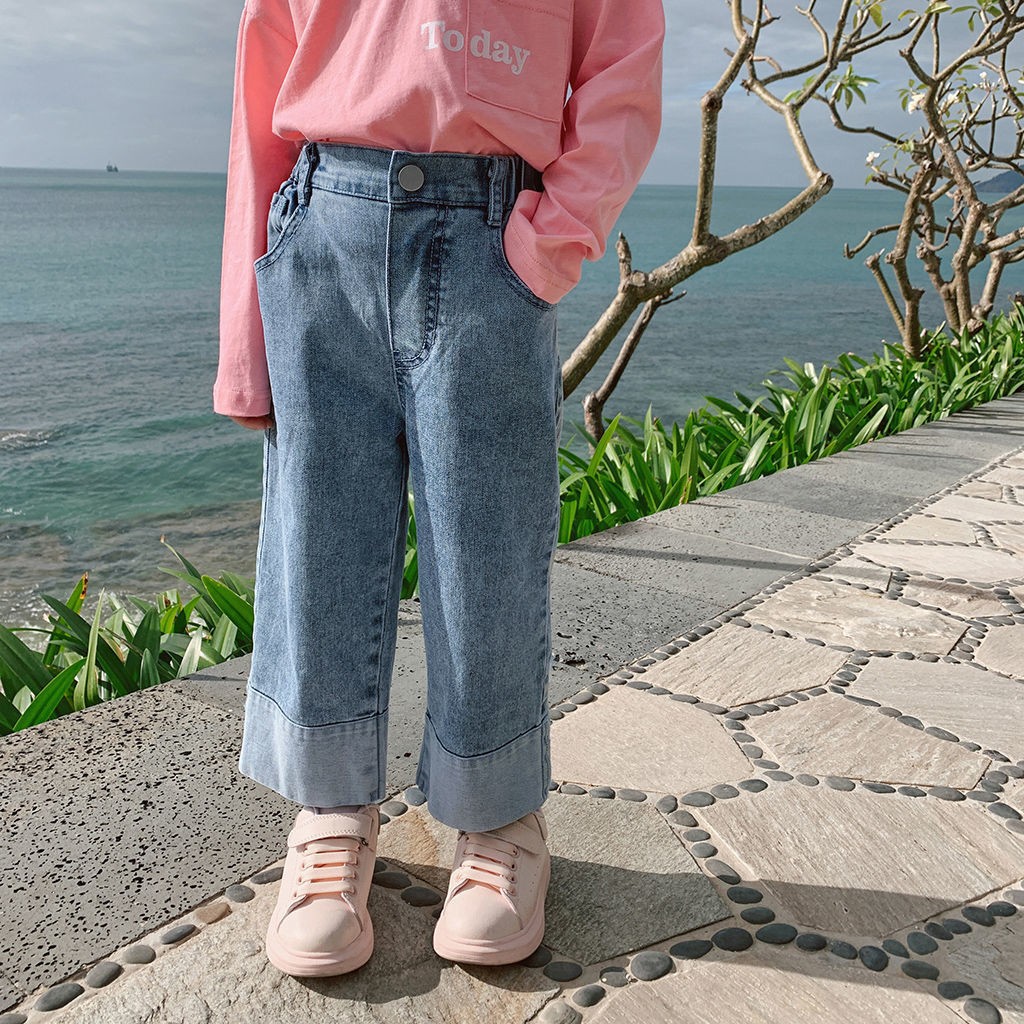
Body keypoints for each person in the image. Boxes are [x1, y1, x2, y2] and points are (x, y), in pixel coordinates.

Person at [214, 0, 665, 978]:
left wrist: (551, 240)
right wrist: (243, 342)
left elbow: (622, 58)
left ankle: (498, 812)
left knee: (486, 545)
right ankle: (331, 809)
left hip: (489, 233)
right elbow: (264, 76)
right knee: (318, 539)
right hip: (321, 218)